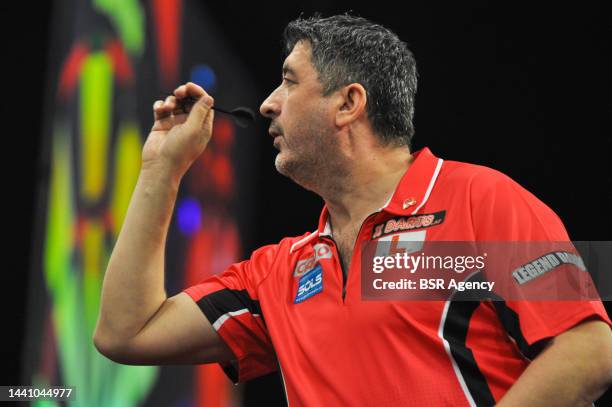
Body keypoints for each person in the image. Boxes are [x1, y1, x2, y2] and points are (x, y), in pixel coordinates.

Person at [94, 14, 612, 406]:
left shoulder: (482, 199)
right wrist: (161, 169)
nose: (269, 103)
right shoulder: (277, 273)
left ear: (349, 103)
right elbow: (126, 334)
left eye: (290, 81)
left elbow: (590, 350)